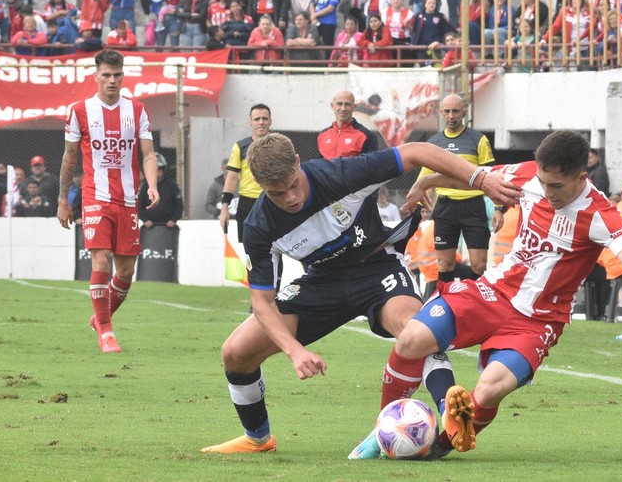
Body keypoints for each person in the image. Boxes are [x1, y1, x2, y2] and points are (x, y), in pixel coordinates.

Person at [350, 130, 622, 459]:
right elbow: (477, 178)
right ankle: (383, 431)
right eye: (543, 182)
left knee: (491, 388)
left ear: (581, 177)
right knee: (412, 339)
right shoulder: (527, 175)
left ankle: (440, 446)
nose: (546, 192)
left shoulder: (601, 216)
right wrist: (431, 181)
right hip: (492, 291)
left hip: (537, 321)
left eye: (556, 186)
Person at [200, 132, 520, 454]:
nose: (291, 198)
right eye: (277, 193)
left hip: (376, 266)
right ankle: (258, 438)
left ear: (298, 163)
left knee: (414, 329)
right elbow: (262, 302)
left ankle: (450, 412)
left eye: (293, 184)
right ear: (259, 185)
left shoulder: (341, 175)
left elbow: (418, 151)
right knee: (236, 352)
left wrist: (481, 178)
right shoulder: (259, 225)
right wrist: (295, 351)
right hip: (321, 282)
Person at [57, 49, 161, 353]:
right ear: (96, 77)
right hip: (95, 198)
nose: (112, 80)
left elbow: (149, 153)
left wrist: (152, 185)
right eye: (106, 75)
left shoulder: (138, 110)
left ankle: (99, 318)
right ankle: (106, 332)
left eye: (117, 75)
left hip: (128, 199)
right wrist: (63, 199)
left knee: (126, 272)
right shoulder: (79, 111)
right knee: (100, 260)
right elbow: (69, 157)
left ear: (123, 76)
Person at [421, 94, 495, 278]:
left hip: (473, 205)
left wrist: (500, 208)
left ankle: (477, 304)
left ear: (464, 112)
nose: (451, 116)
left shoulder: (478, 140)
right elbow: (424, 178)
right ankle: (446, 304)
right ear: (441, 113)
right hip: (446, 207)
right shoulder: (434, 143)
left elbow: (492, 176)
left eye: (455, 111)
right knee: (445, 264)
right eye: (447, 111)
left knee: (479, 265)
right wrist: (417, 206)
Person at [220, 104, 272, 241]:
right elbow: (231, 178)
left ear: (270, 121)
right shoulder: (240, 146)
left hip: (273, 200)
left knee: (275, 249)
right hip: (247, 204)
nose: (261, 122)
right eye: (257, 119)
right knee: (250, 251)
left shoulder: (278, 144)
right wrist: (224, 207)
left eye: (264, 118)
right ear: (251, 122)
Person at [317, 89, 383, 159]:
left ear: (354, 107)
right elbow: (317, 164)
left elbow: (371, 167)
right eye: (339, 104)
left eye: (347, 104)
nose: (343, 108)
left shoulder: (366, 136)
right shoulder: (322, 135)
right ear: (332, 106)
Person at [139, 154, 183, 228]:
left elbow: (178, 205)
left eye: (158, 169)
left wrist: (173, 220)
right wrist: (145, 220)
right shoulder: (145, 186)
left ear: (163, 170)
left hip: (168, 227)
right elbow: (139, 205)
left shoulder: (172, 186)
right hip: (149, 228)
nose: (156, 172)